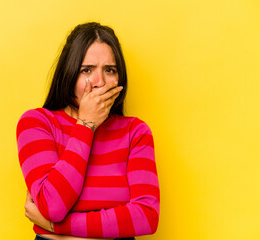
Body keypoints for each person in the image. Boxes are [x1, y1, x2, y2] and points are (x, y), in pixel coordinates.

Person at [16, 22, 160, 240]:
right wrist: (86, 124)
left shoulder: (135, 132)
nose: (99, 83)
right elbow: (52, 206)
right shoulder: (37, 123)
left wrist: (57, 228)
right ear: (69, 73)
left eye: (109, 70)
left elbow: (146, 217)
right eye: (86, 70)